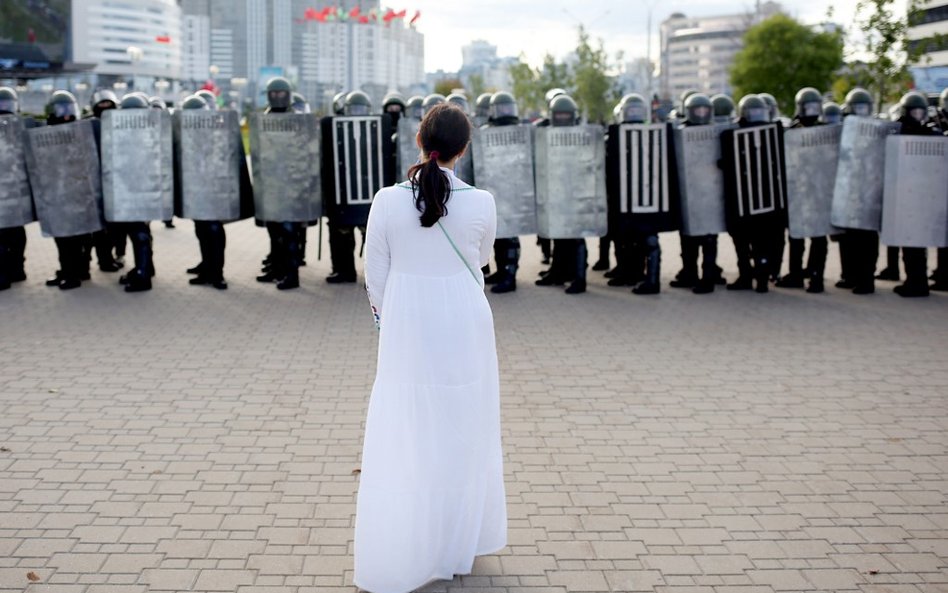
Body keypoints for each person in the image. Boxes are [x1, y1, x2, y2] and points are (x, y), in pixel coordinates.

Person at [357, 102, 506, 593]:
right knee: (463, 427)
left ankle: (411, 540)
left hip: (407, 325)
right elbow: (481, 259)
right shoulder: (482, 201)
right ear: (463, 150)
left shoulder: (386, 199)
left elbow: (373, 273)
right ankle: (456, 542)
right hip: (465, 321)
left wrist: (388, 320)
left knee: (408, 428)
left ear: (419, 141)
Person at [535, 94, 591, 294]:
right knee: (558, 233)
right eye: (559, 115)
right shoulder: (546, 134)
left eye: (565, 115)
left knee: (577, 236)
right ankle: (558, 272)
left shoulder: (583, 136)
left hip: (575, 192)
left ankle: (580, 279)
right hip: (555, 190)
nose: (562, 118)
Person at [776, 87, 829, 293]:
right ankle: (796, 274)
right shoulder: (792, 131)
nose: (811, 110)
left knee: (818, 237)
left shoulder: (825, 130)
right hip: (798, 189)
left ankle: (817, 277)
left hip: (819, 190)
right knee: (796, 236)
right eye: (808, 106)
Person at [673, 93, 724, 294]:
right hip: (689, 195)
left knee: (709, 240)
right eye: (697, 110)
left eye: (704, 110)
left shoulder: (718, 131)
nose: (701, 113)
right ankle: (689, 274)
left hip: (711, 195)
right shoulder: (680, 132)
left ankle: (708, 278)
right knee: (688, 240)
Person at [890, 91, 941, 297]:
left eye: (921, 111)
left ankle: (918, 282)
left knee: (917, 243)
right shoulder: (897, 132)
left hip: (921, 195)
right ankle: (914, 280)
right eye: (914, 111)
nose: (918, 115)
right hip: (904, 193)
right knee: (908, 242)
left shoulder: (931, 133)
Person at [256, 77, 303, 290]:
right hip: (271, 186)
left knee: (289, 232)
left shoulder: (298, 119)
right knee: (274, 231)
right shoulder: (264, 119)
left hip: (291, 186)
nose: (277, 97)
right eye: (273, 94)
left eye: (280, 93)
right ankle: (276, 269)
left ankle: (292, 275)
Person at [43, 91, 93, 290]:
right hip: (58, 194)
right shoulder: (45, 134)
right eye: (60, 110)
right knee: (63, 238)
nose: (65, 115)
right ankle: (67, 271)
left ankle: (77, 273)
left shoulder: (82, 131)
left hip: (80, 193)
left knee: (80, 237)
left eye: (68, 110)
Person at [482, 91, 523, 294]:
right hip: (495, 188)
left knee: (510, 237)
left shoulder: (520, 132)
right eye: (502, 108)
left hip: (513, 191)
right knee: (498, 235)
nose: (505, 112)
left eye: (508, 107)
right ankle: (501, 271)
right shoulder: (486, 132)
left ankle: (510, 275)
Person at [0, 86, 31, 291]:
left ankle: (13, 270)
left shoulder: (22, 127)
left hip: (15, 189)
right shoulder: (21, 126)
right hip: (8, 191)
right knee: (10, 233)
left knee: (13, 233)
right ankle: (10, 271)